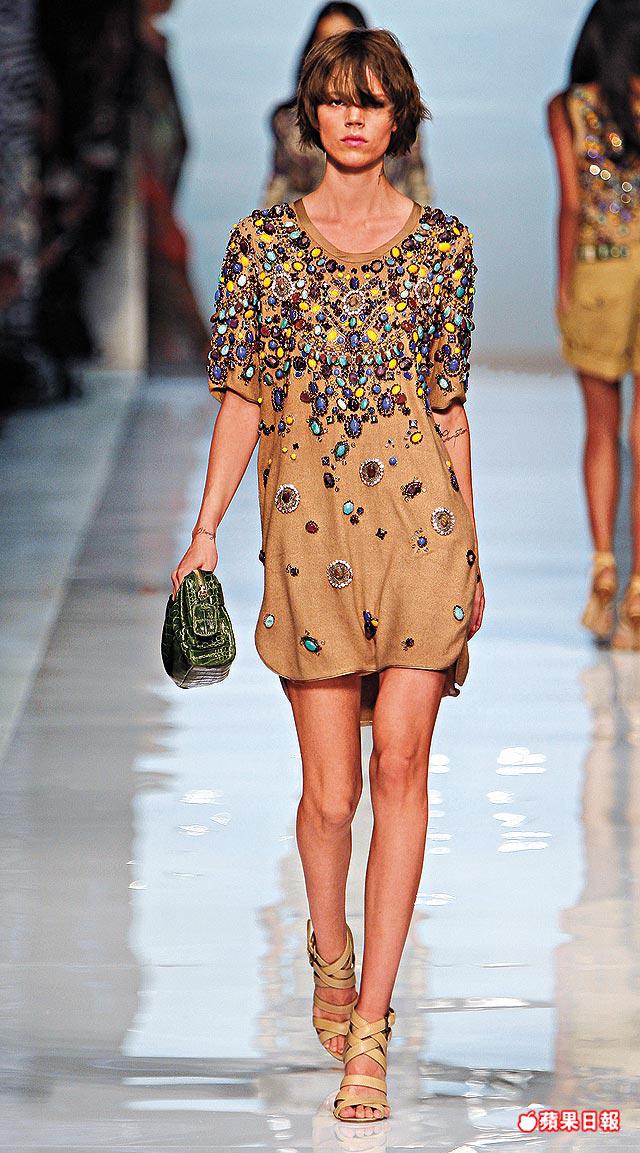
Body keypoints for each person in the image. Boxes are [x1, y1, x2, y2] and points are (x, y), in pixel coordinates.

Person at [172, 27, 484, 1122]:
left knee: (400, 765)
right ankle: (331, 945)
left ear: (401, 118)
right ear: (311, 116)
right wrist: (205, 530)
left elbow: (449, 409)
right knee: (332, 793)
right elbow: (242, 397)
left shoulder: (444, 246)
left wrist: (474, 549)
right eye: (337, 100)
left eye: (374, 100)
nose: (355, 117)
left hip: (424, 535)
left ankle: (372, 1030)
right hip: (307, 532)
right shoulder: (261, 246)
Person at [548, 0, 640, 648]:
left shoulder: (568, 108)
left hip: (597, 273)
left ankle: (605, 565)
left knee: (601, 431)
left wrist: (564, 281)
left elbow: (572, 204)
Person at [263, 2, 433, 208]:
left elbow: (418, 181)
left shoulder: (400, 117)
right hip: (301, 222)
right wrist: (270, 225)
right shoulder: (286, 121)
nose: (354, 117)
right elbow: (278, 183)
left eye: (373, 104)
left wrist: (419, 225)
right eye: (337, 102)